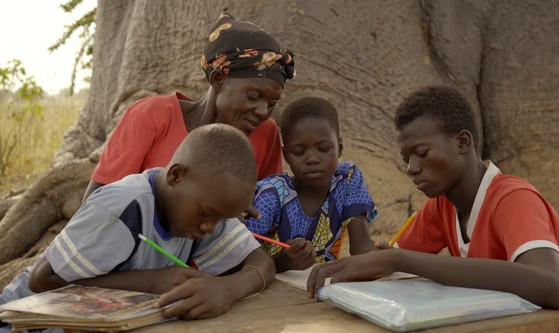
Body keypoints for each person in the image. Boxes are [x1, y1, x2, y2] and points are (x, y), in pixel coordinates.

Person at [306, 86, 559, 333]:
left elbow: (551, 287)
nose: (411, 168)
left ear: (462, 141)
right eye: (405, 159)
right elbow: (386, 264)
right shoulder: (441, 207)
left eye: (422, 153)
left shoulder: (513, 198)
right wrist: (369, 262)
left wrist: (398, 258)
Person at [0, 124, 275, 331]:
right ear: (176, 175)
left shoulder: (203, 207)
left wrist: (228, 289)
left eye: (221, 220)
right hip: (23, 321)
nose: (210, 227)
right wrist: (151, 282)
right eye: (208, 215)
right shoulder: (123, 207)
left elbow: (262, 263)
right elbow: (41, 279)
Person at [82, 12, 295, 201]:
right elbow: (97, 201)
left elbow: (269, 207)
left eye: (272, 104)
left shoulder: (265, 133)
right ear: (218, 79)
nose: (262, 111)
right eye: (253, 96)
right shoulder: (153, 116)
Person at [246, 97, 377, 273]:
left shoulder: (347, 178)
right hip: (267, 292)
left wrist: (386, 256)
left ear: (339, 147)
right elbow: (237, 261)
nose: (312, 159)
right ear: (286, 155)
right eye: (299, 152)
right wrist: (281, 262)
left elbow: (360, 246)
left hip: (318, 291)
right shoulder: (272, 195)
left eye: (323, 149)